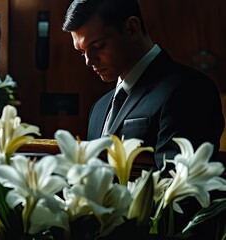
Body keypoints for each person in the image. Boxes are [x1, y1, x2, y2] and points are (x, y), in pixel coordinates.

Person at [62, 0, 224, 174]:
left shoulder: (191, 90)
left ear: (132, 28)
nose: (88, 60)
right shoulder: (99, 108)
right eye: (82, 52)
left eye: (97, 46)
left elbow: (178, 188)